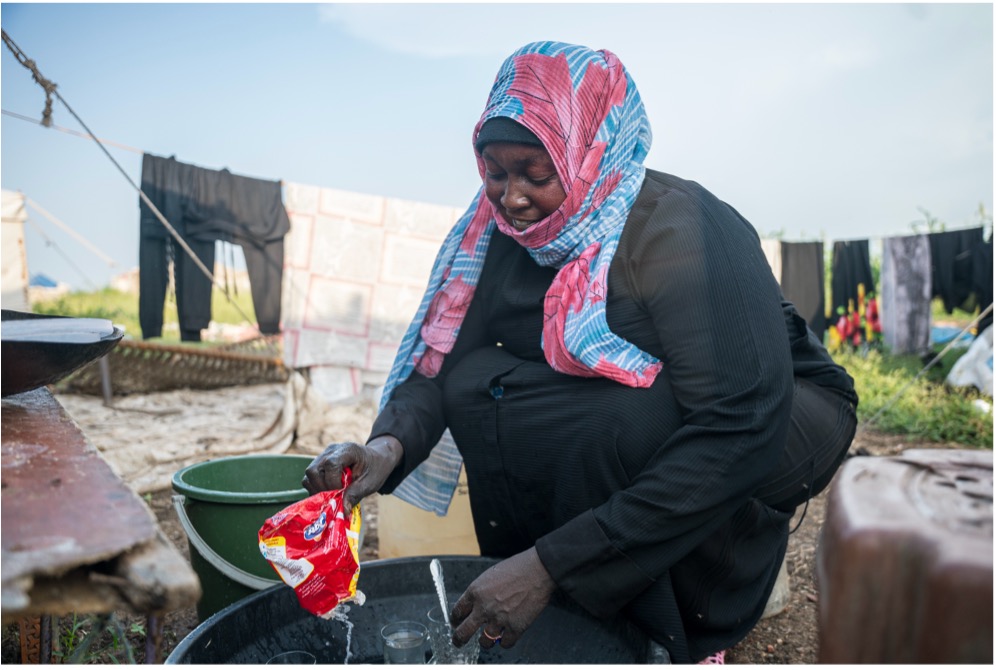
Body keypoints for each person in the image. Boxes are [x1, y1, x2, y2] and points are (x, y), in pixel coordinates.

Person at [302, 40, 857, 664]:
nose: (511, 197)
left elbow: (740, 421)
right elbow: (443, 362)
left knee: (619, 424)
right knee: (483, 383)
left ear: (588, 153)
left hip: (776, 414)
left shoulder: (683, 230)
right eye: (495, 172)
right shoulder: (498, 236)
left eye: (536, 174)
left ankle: (678, 632)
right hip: (676, 403)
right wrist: (386, 447)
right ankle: (568, 603)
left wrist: (549, 566)